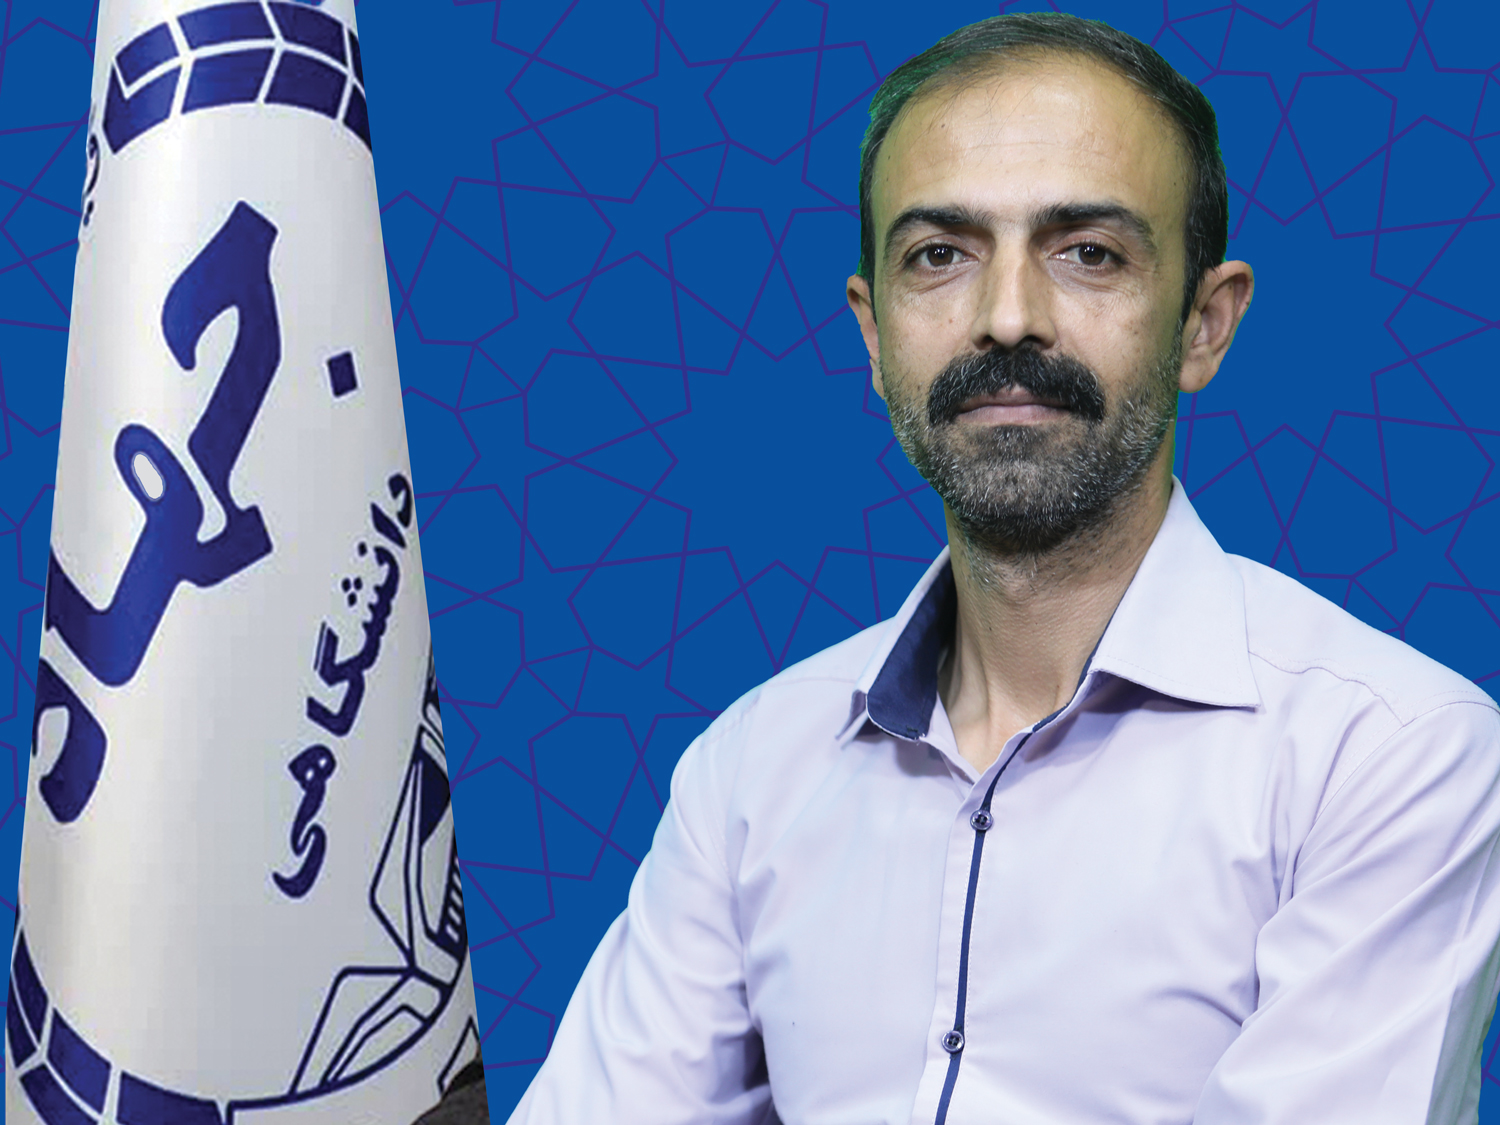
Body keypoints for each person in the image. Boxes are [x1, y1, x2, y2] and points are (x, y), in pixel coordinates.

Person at [506, 13, 1500, 1125]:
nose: (1008, 318)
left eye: (1089, 253)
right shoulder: (747, 772)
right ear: (873, 334)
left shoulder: (1393, 757)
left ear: (1205, 325)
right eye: (940, 255)